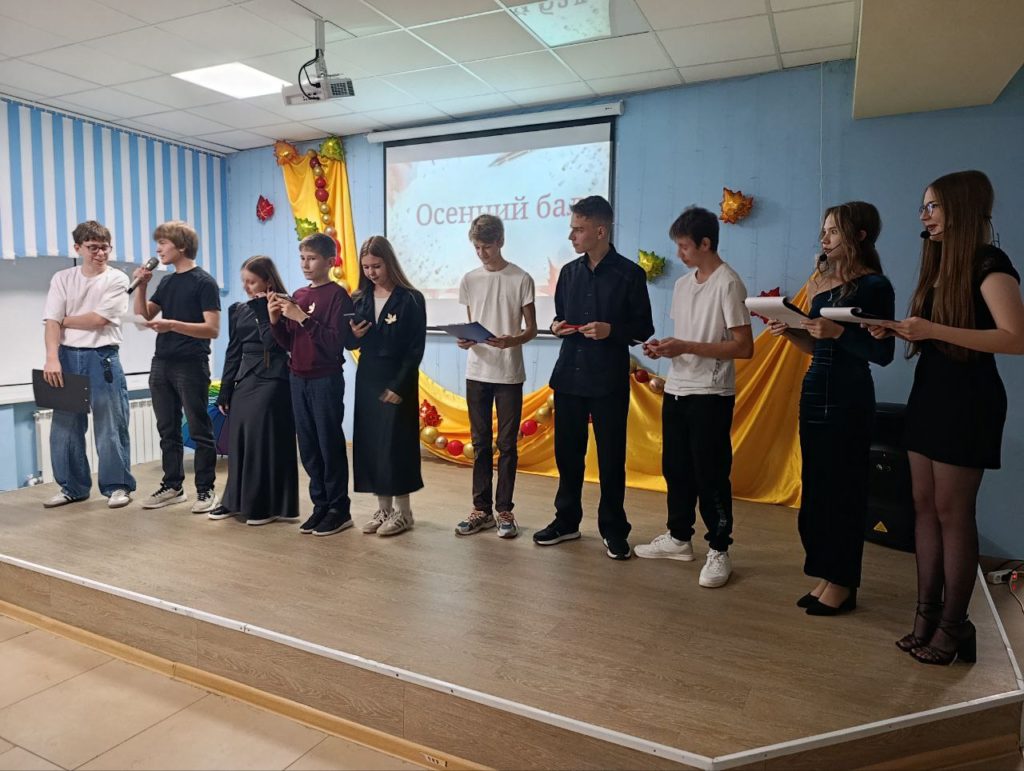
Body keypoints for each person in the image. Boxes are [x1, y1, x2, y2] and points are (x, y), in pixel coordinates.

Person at [869, 171, 1024, 664]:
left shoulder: (990, 264)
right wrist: (902, 331)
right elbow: (938, 332)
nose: (924, 215)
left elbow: (1015, 338)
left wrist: (931, 328)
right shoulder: (939, 264)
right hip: (930, 395)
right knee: (923, 507)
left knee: (954, 513)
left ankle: (955, 625)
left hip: (969, 400)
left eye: (932, 206)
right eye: (924, 206)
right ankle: (927, 616)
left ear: (960, 207)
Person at [769, 202, 895, 615]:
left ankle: (843, 581)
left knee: (844, 490)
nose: (824, 239)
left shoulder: (875, 285)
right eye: (823, 231)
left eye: (834, 231)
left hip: (849, 394)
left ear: (859, 235)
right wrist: (791, 331)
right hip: (814, 390)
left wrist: (839, 332)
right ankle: (826, 573)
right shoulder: (821, 283)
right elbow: (816, 344)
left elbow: (882, 353)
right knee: (818, 488)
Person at [636, 207, 753, 588]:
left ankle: (719, 548)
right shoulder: (683, 285)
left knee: (711, 475)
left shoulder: (729, 283)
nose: (680, 254)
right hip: (677, 388)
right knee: (676, 468)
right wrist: (663, 348)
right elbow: (687, 338)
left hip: (710, 393)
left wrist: (685, 346)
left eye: (685, 247)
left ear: (706, 243)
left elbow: (743, 347)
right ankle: (678, 537)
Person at [534, 195, 654, 560]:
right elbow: (560, 316)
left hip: (608, 380)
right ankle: (566, 521)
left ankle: (614, 529)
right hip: (569, 376)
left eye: (578, 229)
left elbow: (643, 328)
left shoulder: (630, 274)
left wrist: (611, 330)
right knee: (568, 455)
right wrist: (557, 326)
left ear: (600, 231)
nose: (571, 236)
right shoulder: (569, 273)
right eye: (571, 228)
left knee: (611, 458)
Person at [40, 220, 136, 509]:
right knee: (65, 428)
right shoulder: (62, 278)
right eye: (93, 248)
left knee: (110, 425)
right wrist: (52, 358)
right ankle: (73, 487)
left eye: (105, 247)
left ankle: (117, 486)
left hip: (102, 357)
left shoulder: (117, 279)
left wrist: (62, 319)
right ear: (78, 248)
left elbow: (99, 320)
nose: (100, 253)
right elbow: (50, 324)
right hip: (66, 358)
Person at [454, 215, 537, 540]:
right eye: (476, 247)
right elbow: (473, 324)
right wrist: (466, 339)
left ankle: (504, 511)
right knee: (480, 444)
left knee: (507, 445)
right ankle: (481, 510)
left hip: (509, 373)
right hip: (476, 371)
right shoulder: (469, 279)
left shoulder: (521, 278)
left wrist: (513, 340)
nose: (482, 253)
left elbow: (531, 329)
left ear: (500, 241)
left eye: (486, 246)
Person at [269, 233, 356, 537]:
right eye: (302, 258)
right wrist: (275, 321)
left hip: (325, 379)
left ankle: (339, 509)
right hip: (298, 378)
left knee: (329, 444)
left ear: (330, 262)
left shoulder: (338, 296)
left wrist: (303, 319)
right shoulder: (299, 294)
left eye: (312, 258)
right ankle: (320, 505)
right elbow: (288, 343)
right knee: (307, 445)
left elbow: (334, 343)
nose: (305, 264)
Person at [133, 221, 221, 513]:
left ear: (181, 246)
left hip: (191, 363)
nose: (158, 249)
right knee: (167, 429)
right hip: (162, 362)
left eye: (163, 243)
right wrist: (141, 286)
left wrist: (173, 325)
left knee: (199, 429)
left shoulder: (204, 282)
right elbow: (144, 317)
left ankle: (206, 490)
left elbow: (212, 329)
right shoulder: (167, 282)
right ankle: (172, 486)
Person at [207, 256, 298, 526]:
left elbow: (275, 343)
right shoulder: (238, 309)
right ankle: (234, 500)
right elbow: (233, 351)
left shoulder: (285, 305)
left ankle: (263, 505)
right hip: (245, 380)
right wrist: (225, 390)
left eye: (252, 282)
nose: (246, 287)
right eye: (244, 282)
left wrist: (262, 310)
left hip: (274, 379)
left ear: (267, 281)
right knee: (239, 441)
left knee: (262, 441)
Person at [348, 236, 427, 537]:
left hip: (398, 378)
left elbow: (415, 349)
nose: (371, 272)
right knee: (372, 444)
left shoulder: (411, 299)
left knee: (396, 444)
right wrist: (353, 336)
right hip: (369, 377)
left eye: (377, 266)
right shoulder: (359, 298)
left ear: (389, 263)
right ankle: (383, 509)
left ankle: (404, 513)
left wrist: (399, 385)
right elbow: (348, 343)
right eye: (366, 267)